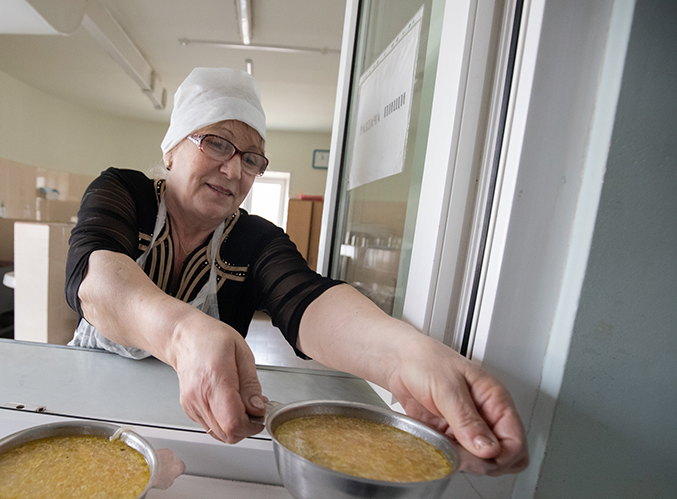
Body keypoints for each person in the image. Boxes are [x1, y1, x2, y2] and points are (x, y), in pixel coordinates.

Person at [66, 67, 528, 476]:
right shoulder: (124, 191)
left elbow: (309, 301)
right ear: (171, 150)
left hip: (201, 427)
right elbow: (99, 281)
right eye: (217, 143)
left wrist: (406, 357)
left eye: (251, 159)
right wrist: (184, 335)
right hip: (90, 403)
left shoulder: (255, 240)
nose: (233, 169)